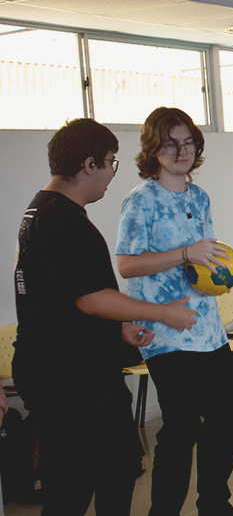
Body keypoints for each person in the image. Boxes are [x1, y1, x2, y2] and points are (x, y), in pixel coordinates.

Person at [12, 118, 198, 515]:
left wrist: (118, 329)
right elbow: (91, 299)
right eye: (111, 162)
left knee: (110, 468)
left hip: (60, 363)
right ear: (90, 164)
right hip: (69, 374)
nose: (113, 173)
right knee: (82, 481)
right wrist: (163, 312)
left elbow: (59, 297)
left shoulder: (41, 210)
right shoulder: (64, 219)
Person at [116, 107, 233, 516]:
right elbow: (126, 264)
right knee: (181, 426)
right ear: (153, 149)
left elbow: (204, 257)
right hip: (164, 331)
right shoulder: (141, 200)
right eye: (170, 144)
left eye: (189, 143)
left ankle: (214, 504)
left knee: (228, 418)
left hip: (207, 329)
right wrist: (184, 253)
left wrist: (221, 273)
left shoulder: (199, 197)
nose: (182, 151)